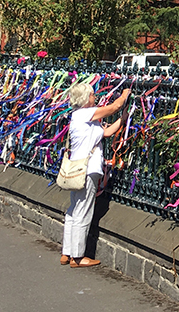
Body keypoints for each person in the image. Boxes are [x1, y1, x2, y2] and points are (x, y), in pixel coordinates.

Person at [61, 81, 130, 268]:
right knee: (84, 211)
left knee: (74, 210)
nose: (95, 97)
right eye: (92, 95)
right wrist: (125, 94)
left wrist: (122, 120)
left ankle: (67, 252)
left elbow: (105, 133)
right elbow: (114, 106)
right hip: (87, 169)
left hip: (76, 170)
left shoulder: (80, 117)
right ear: (85, 99)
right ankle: (78, 257)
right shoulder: (85, 113)